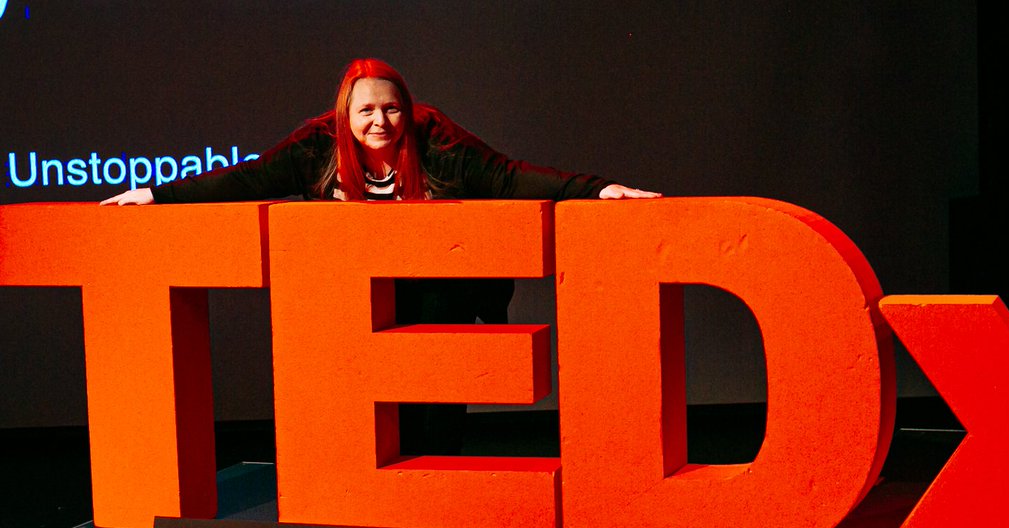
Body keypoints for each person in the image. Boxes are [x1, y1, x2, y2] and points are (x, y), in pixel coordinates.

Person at [103, 57, 660, 454]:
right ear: (345, 116)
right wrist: (157, 194)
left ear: (406, 111)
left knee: (436, 402)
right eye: (366, 110)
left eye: (391, 109)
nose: (380, 122)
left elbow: (510, 177)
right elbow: (248, 177)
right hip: (360, 300)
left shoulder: (436, 141)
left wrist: (599, 189)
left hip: (437, 293)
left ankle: (437, 484)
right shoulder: (317, 146)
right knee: (367, 411)